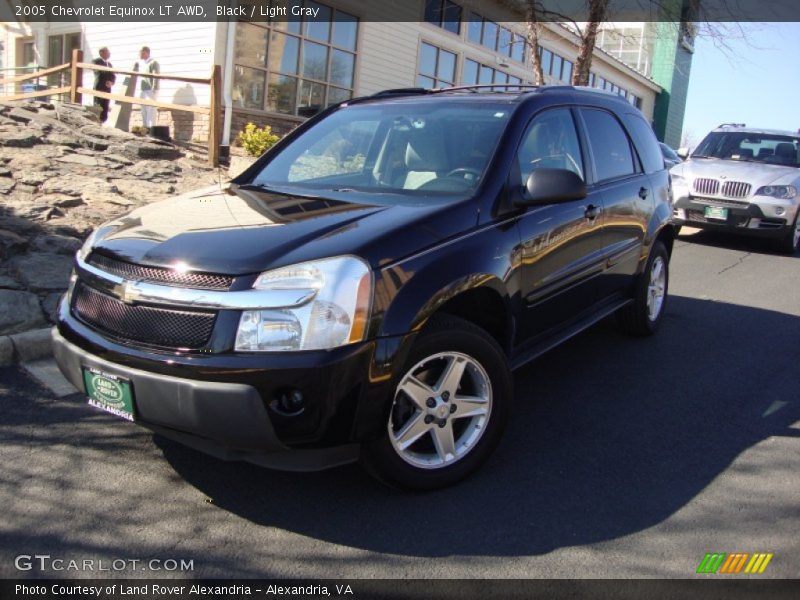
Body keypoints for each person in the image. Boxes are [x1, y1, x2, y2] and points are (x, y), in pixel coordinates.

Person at [135, 46, 160, 131]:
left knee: (150, 109)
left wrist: (154, 89)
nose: (139, 54)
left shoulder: (153, 62)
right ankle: (145, 127)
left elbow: (155, 76)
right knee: (143, 108)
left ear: (146, 52)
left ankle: (151, 128)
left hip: (151, 89)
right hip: (143, 89)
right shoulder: (143, 63)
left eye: (140, 52)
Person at [92, 47, 115, 123]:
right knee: (98, 105)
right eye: (107, 52)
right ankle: (96, 121)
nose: (109, 53)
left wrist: (111, 82)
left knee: (105, 105)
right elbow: (99, 72)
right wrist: (106, 80)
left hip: (107, 88)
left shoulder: (110, 64)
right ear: (101, 53)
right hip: (99, 87)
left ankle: (103, 121)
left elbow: (113, 75)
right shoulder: (96, 61)